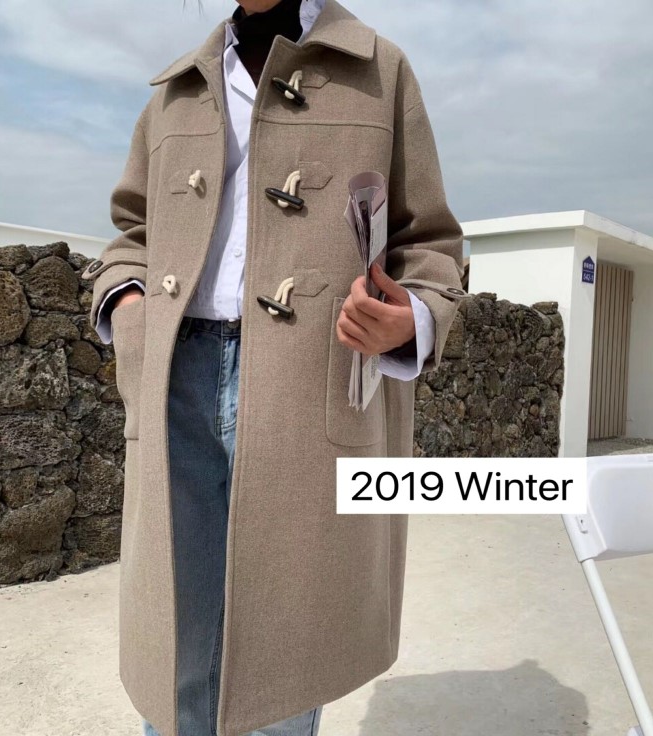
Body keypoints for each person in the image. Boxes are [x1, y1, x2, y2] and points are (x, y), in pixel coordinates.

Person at [82, 0, 466, 734]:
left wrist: (410, 317)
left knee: (283, 644)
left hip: (305, 385)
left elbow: (430, 244)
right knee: (177, 634)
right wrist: (129, 306)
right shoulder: (177, 91)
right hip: (177, 380)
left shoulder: (380, 71)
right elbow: (131, 231)